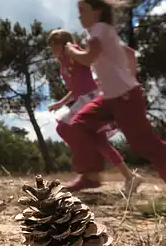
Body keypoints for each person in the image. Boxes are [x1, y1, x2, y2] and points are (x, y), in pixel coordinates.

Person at [59, 0, 166, 195]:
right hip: (111, 97)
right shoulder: (106, 32)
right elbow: (129, 53)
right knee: (80, 124)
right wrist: (131, 77)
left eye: (82, 11)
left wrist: (70, 50)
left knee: (143, 141)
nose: (79, 16)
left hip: (124, 97)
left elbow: (89, 58)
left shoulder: (100, 29)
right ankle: (90, 176)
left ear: (97, 13)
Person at [46, 29, 143, 196]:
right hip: (84, 97)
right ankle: (128, 177)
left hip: (91, 98)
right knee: (96, 140)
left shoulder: (71, 50)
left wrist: (70, 47)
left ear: (62, 43)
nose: (52, 49)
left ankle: (90, 174)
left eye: (54, 45)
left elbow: (87, 58)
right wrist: (61, 102)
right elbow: (76, 88)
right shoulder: (64, 61)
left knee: (67, 129)